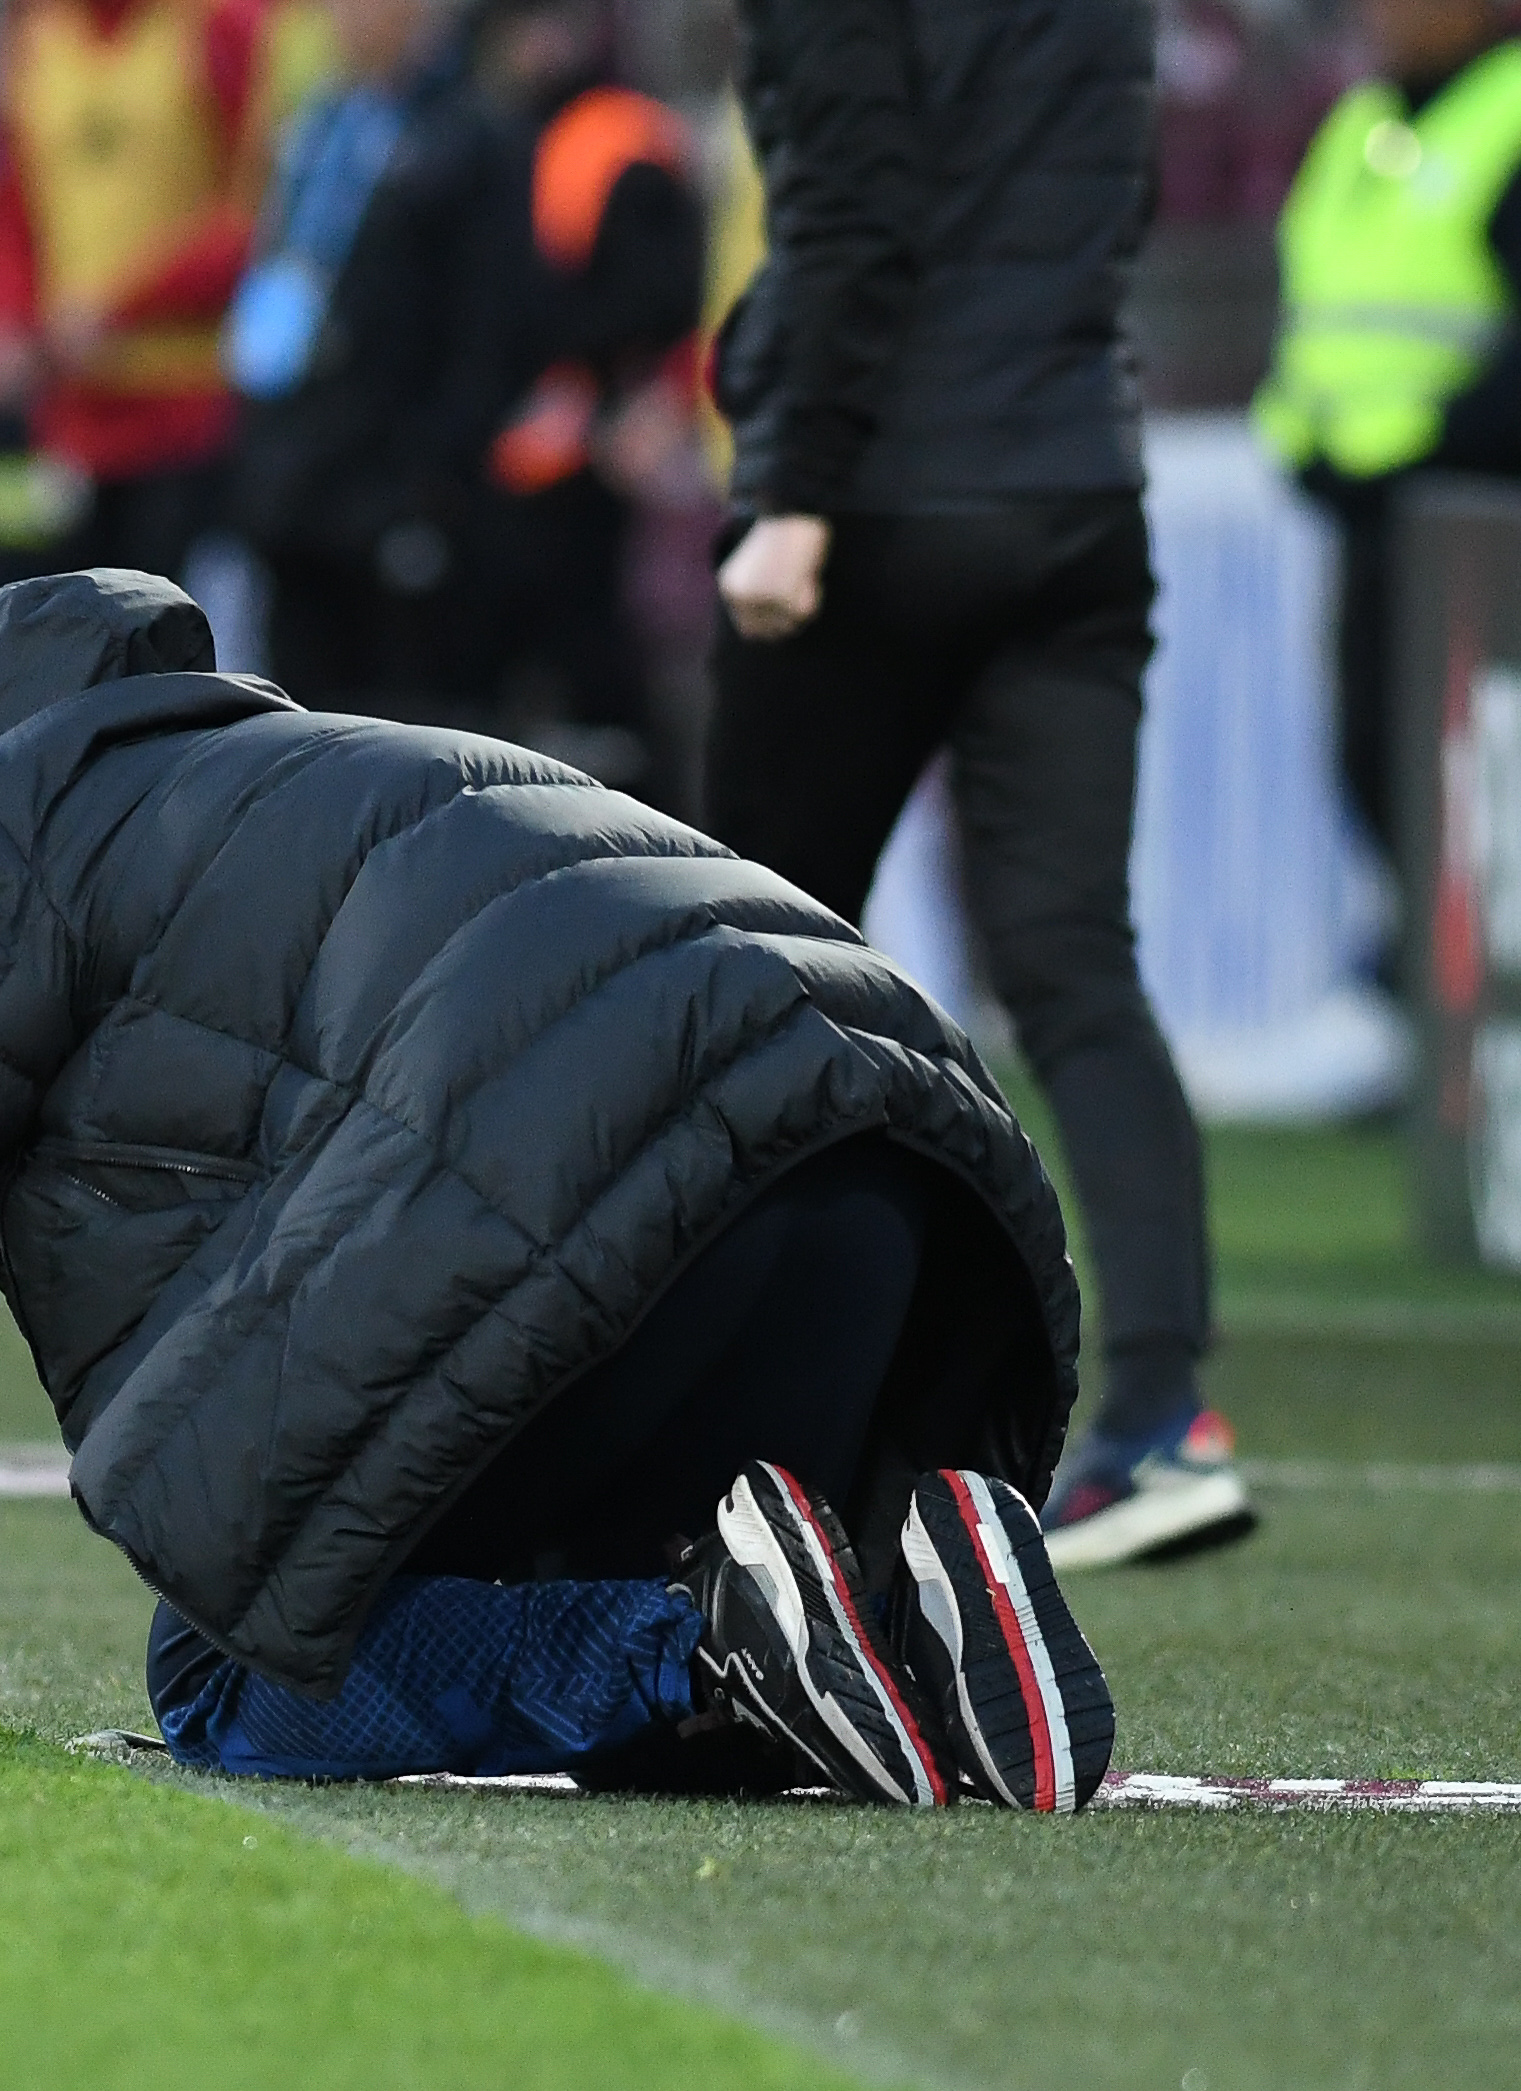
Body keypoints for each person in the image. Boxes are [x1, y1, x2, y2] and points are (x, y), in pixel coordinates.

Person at [0, 569, 1114, 1808]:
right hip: (898, 1180)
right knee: (690, 1696)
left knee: (236, 1673)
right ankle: (923, 1562)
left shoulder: (14, 808)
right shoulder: (342, 774)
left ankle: (706, 1638)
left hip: (612, 1197)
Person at [702, 0, 1248, 1565]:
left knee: (744, 966)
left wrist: (793, 485)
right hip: (1074, 494)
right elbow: (1103, 200)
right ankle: (1160, 1414)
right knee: (1074, 964)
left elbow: (852, 214)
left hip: (876, 501)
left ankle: (739, 1411)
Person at [223, 0, 544, 728]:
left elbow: (491, 336)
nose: (344, 19)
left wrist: (425, 486)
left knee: (402, 730)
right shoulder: (319, 126)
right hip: (297, 484)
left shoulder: (468, 139)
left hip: (396, 498)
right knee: (302, 727)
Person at [1254, 0, 1521, 857]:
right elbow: (1319, 306)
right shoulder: (1364, 121)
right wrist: (1307, 450)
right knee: (1383, 764)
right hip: (1372, 517)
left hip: (1485, 521)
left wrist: (1431, 452)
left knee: (1476, 784)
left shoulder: (1503, 113)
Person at [478, 0, 706, 809]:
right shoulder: (537, 129)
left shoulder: (615, 133)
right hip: (545, 446)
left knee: (613, 669)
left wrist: (597, 383)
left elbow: (658, 294)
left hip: (600, 448)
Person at [0, 0, 270, 582]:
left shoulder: (218, 28)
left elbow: (253, 217)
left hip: (188, 414)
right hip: (68, 418)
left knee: (172, 648)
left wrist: (120, 309)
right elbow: (9, 206)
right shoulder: (36, 35)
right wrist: (1, 317)